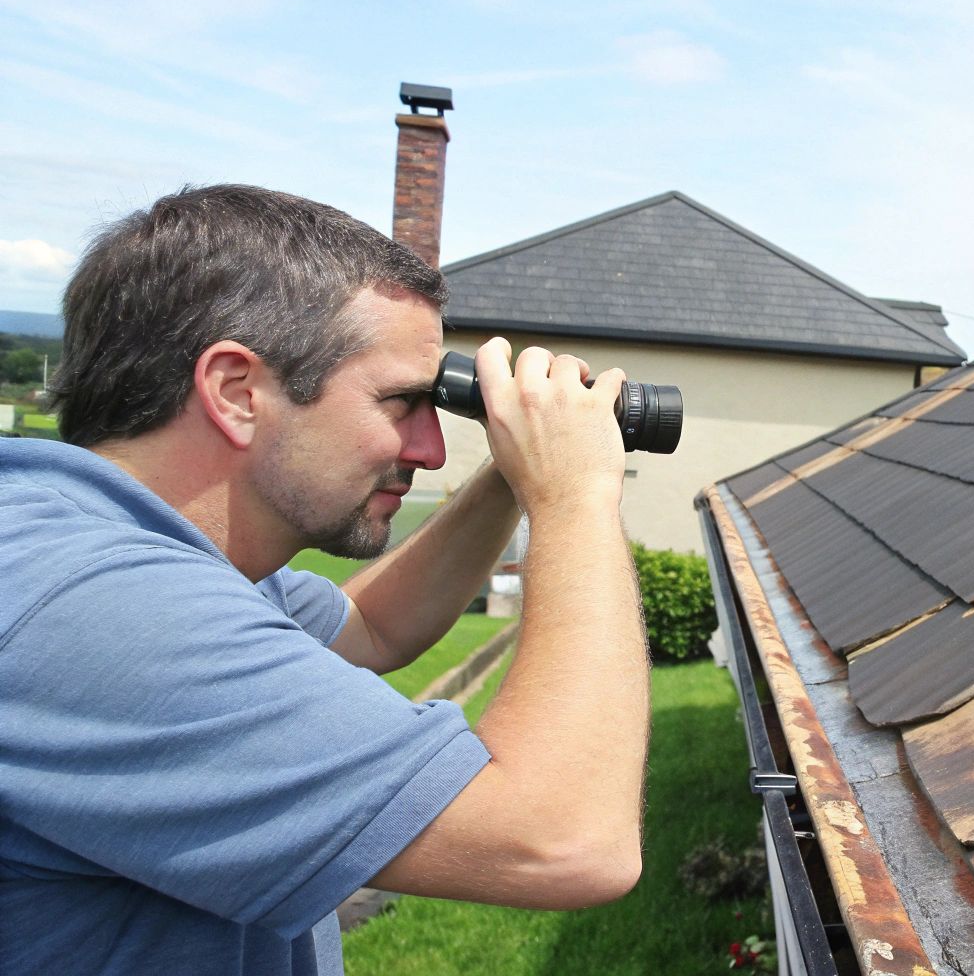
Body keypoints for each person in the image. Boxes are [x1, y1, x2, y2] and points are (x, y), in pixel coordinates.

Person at [0, 185, 650, 975]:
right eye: (403, 402)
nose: (430, 449)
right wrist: (575, 495)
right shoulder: (102, 609)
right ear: (238, 392)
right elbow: (566, 839)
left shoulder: (139, 552)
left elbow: (374, 627)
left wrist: (515, 471)